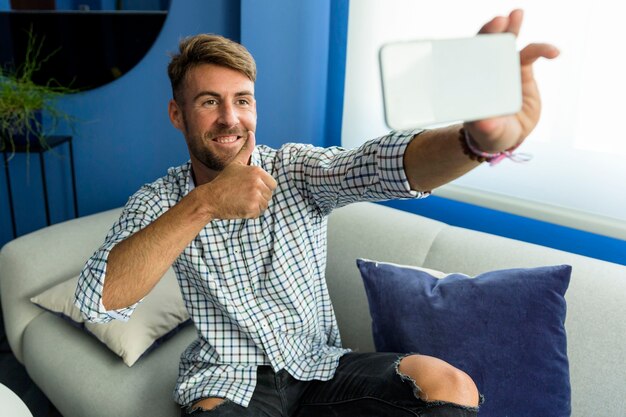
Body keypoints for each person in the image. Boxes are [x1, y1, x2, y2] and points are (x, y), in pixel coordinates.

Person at [75, 9, 558, 417]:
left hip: (321, 366)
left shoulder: (295, 169)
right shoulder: (162, 200)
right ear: (178, 115)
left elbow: (376, 167)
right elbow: (100, 298)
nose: (230, 117)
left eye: (242, 100)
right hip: (230, 379)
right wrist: (204, 202)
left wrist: (474, 143)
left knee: (449, 384)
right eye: (209, 102)